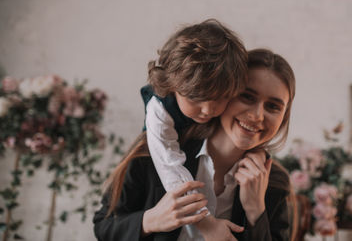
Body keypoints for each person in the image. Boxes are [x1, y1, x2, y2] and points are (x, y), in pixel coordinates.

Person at [93, 48, 296, 241]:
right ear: (223, 92)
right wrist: (152, 220)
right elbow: (104, 226)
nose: (257, 115)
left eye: (273, 106)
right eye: (247, 96)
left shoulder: (275, 182)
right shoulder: (158, 152)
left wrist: (255, 210)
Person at [140, 18, 248, 233]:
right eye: (195, 99)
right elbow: (170, 168)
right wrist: (205, 223)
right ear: (172, 86)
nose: (208, 110)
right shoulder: (159, 112)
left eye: (220, 98)